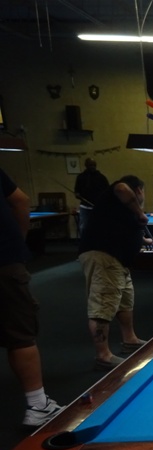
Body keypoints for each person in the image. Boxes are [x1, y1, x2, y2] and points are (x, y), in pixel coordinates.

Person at [0, 167, 63, 426]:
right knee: (20, 335)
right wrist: (17, 242)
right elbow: (21, 201)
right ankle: (38, 406)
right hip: (4, 263)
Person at [78, 175, 152, 371]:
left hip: (118, 261)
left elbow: (122, 228)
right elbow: (121, 188)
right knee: (103, 305)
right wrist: (140, 212)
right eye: (143, 192)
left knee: (124, 300)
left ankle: (130, 339)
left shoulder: (121, 207)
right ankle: (103, 355)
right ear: (138, 190)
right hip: (104, 257)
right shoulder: (120, 191)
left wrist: (144, 240)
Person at [74, 157, 109, 238]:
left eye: (94, 165)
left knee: (99, 227)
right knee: (83, 227)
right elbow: (76, 191)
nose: (93, 167)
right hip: (84, 206)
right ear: (86, 165)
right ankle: (84, 243)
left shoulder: (101, 177)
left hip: (98, 207)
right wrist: (77, 194)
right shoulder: (81, 177)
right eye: (90, 165)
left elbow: (107, 192)